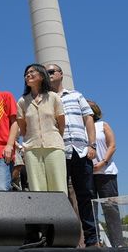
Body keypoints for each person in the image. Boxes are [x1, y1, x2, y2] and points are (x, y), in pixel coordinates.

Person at [46, 63, 99, 247]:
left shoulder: (76, 95)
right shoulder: (46, 99)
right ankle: (66, 239)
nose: (49, 74)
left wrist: (91, 145)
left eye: (51, 71)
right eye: (46, 73)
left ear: (61, 74)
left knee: (85, 195)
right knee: (61, 197)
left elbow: (88, 118)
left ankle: (92, 239)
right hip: (59, 151)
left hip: (81, 151)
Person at [16, 64, 67, 194]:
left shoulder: (53, 97)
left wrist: (54, 138)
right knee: (37, 188)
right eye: (26, 74)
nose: (28, 75)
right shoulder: (22, 101)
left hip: (54, 146)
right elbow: (23, 128)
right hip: (32, 149)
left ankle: (61, 214)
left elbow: (61, 123)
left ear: (42, 75)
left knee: (59, 186)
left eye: (32, 72)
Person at [88, 100, 123, 247]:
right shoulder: (81, 129)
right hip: (88, 175)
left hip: (106, 173)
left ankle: (118, 244)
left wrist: (103, 162)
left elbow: (112, 145)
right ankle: (95, 244)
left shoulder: (103, 125)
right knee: (90, 211)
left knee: (110, 209)